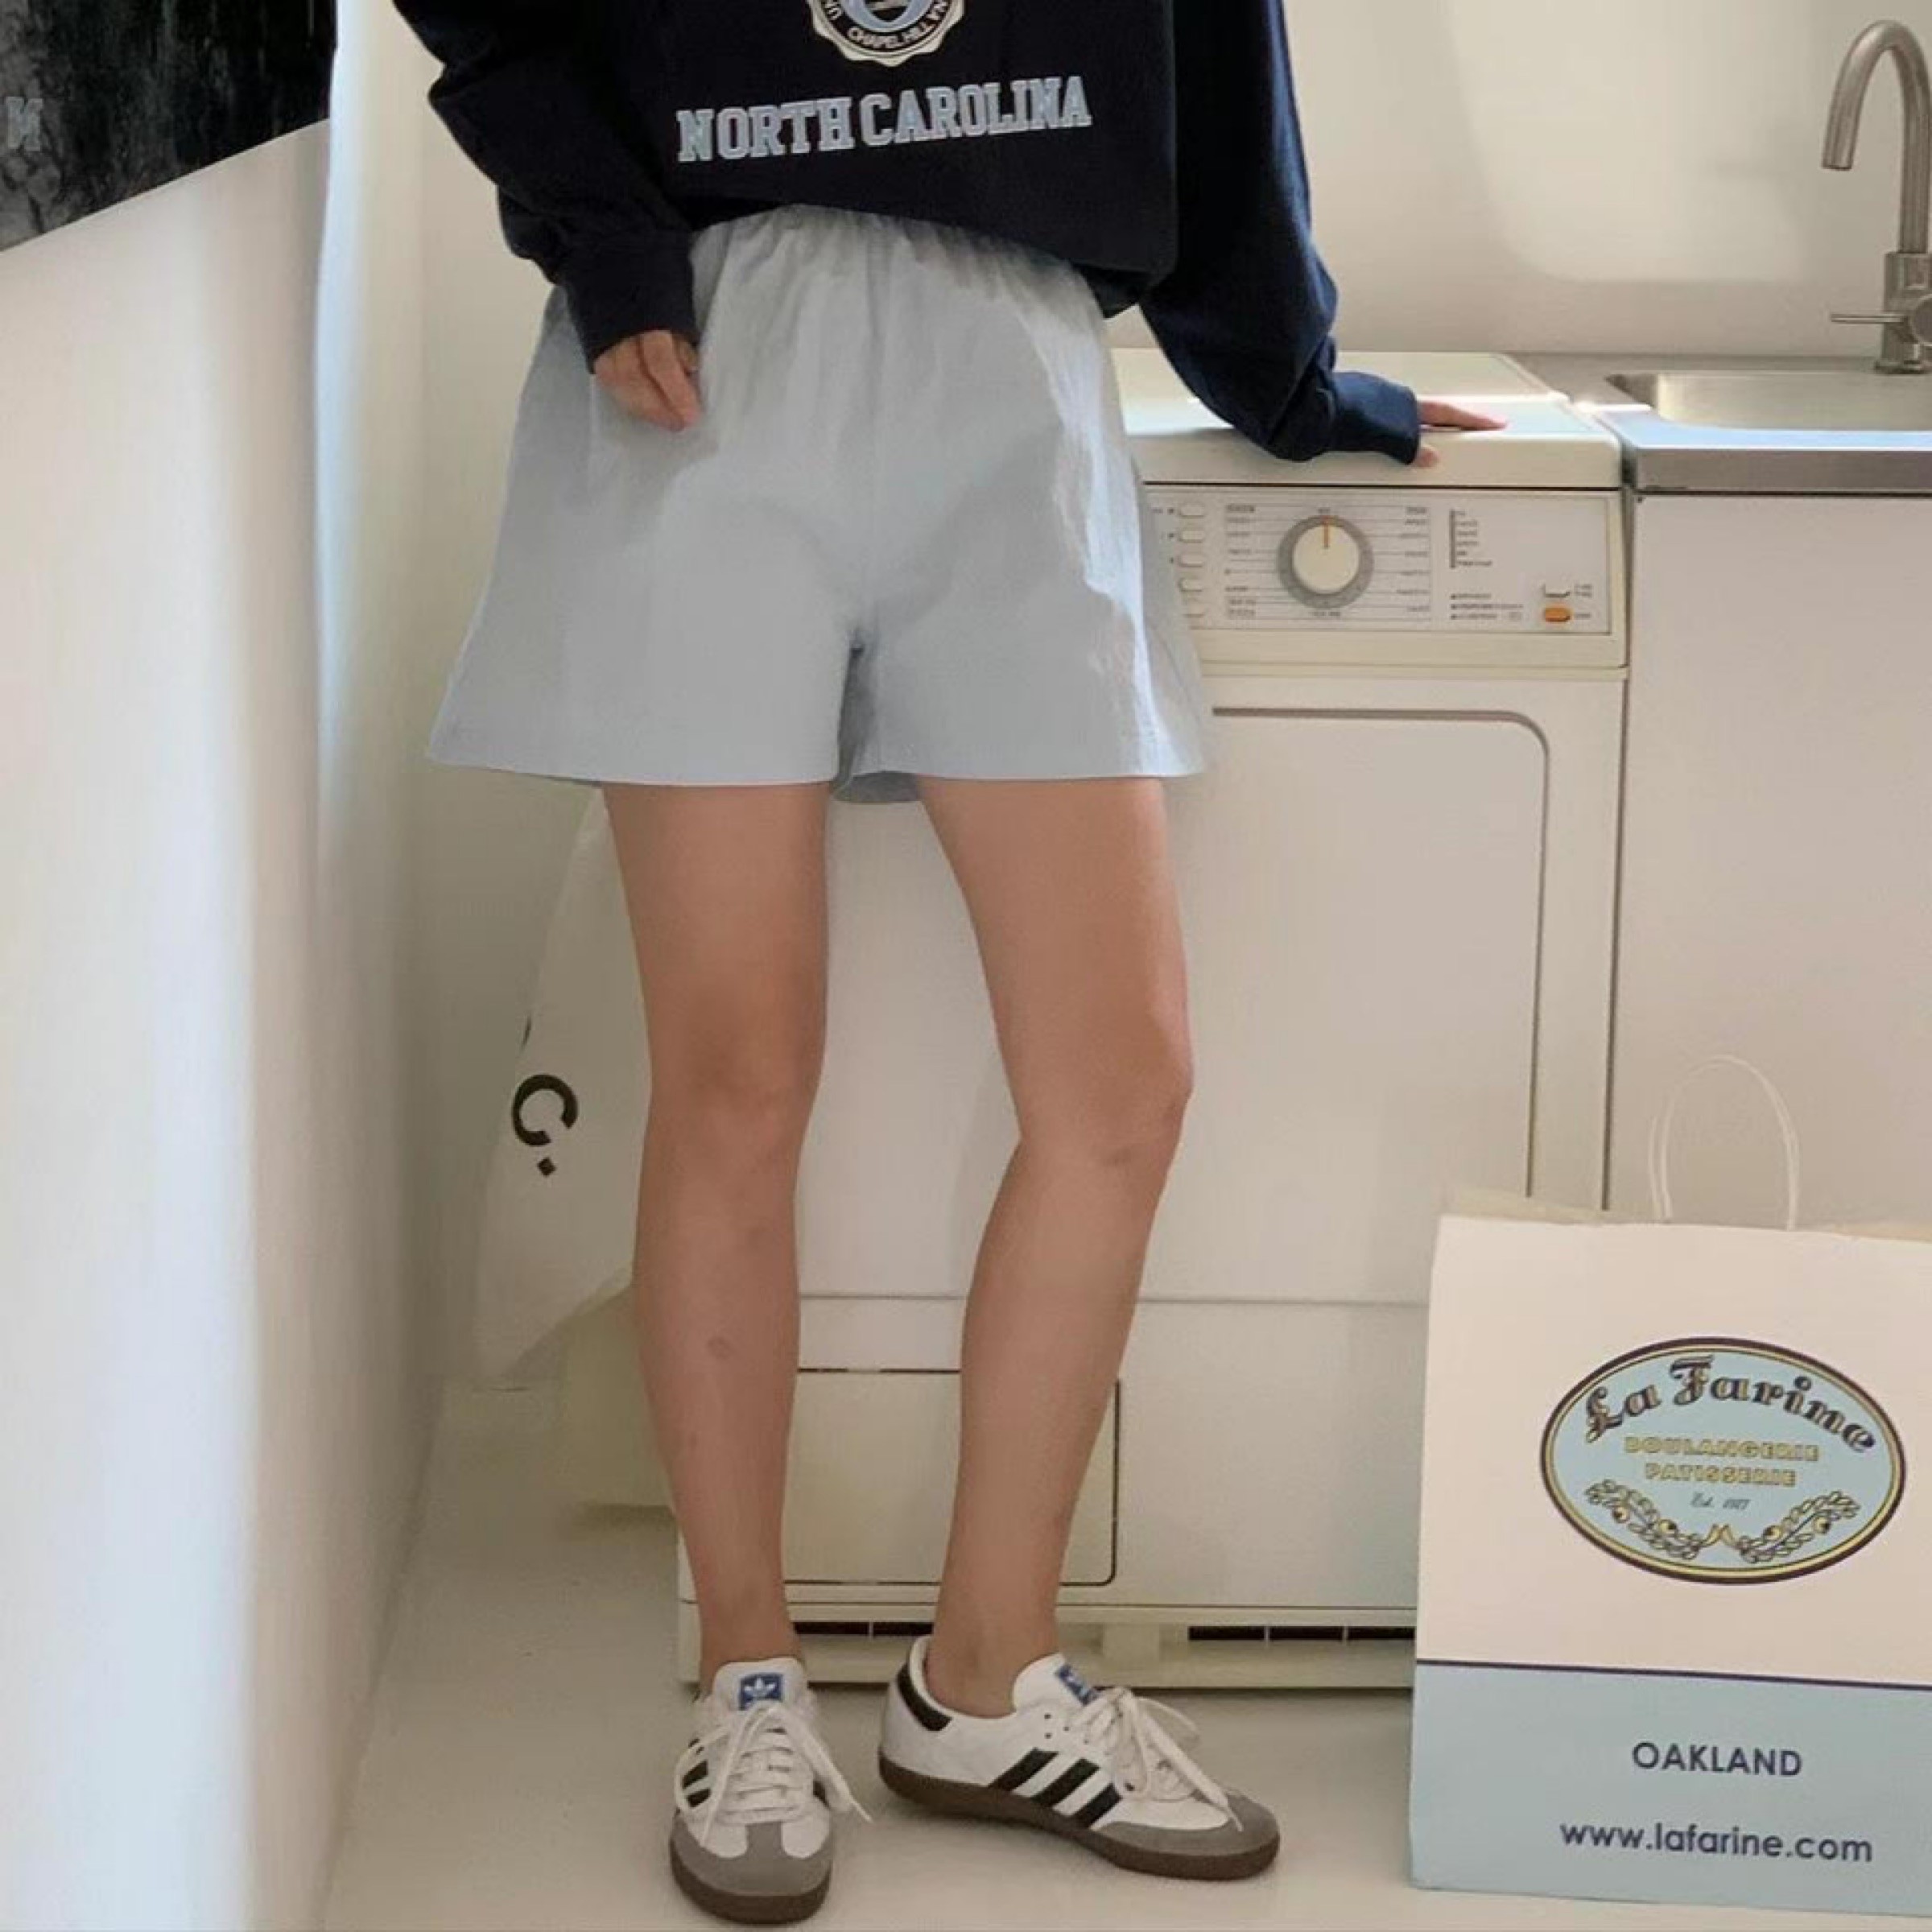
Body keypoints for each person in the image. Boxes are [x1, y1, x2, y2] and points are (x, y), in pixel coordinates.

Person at [392, 1, 1502, 1922]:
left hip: (1016, 357)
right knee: (738, 1077)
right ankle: (750, 1674)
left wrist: (1292, 376)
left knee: (1121, 1084)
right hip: (707, 334)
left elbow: (1213, 48)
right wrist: (604, 230)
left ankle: (985, 1678)